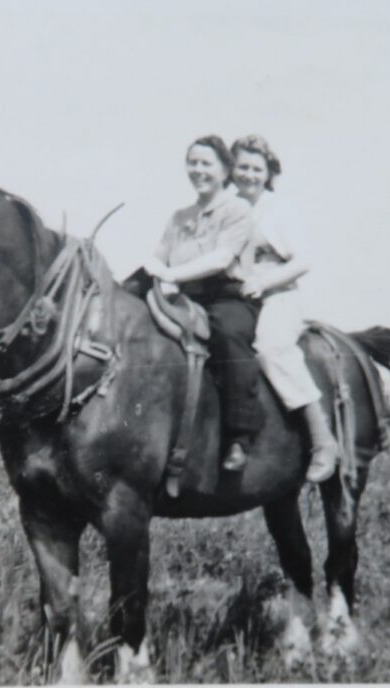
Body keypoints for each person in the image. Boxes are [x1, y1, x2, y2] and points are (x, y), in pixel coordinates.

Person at [141, 135, 262, 471]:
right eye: (192, 162)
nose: (197, 170)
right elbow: (157, 258)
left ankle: (240, 436)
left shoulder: (238, 210)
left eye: (206, 163)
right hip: (185, 295)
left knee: (226, 334)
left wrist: (171, 274)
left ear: (225, 170)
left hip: (227, 296)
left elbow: (221, 259)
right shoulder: (179, 216)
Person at [230, 134, 338, 483]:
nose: (248, 175)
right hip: (238, 295)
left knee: (272, 348)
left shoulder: (280, 210)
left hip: (278, 294)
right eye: (242, 167)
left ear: (268, 172)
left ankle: (322, 440)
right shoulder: (228, 207)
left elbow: (303, 260)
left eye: (256, 168)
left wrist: (264, 283)